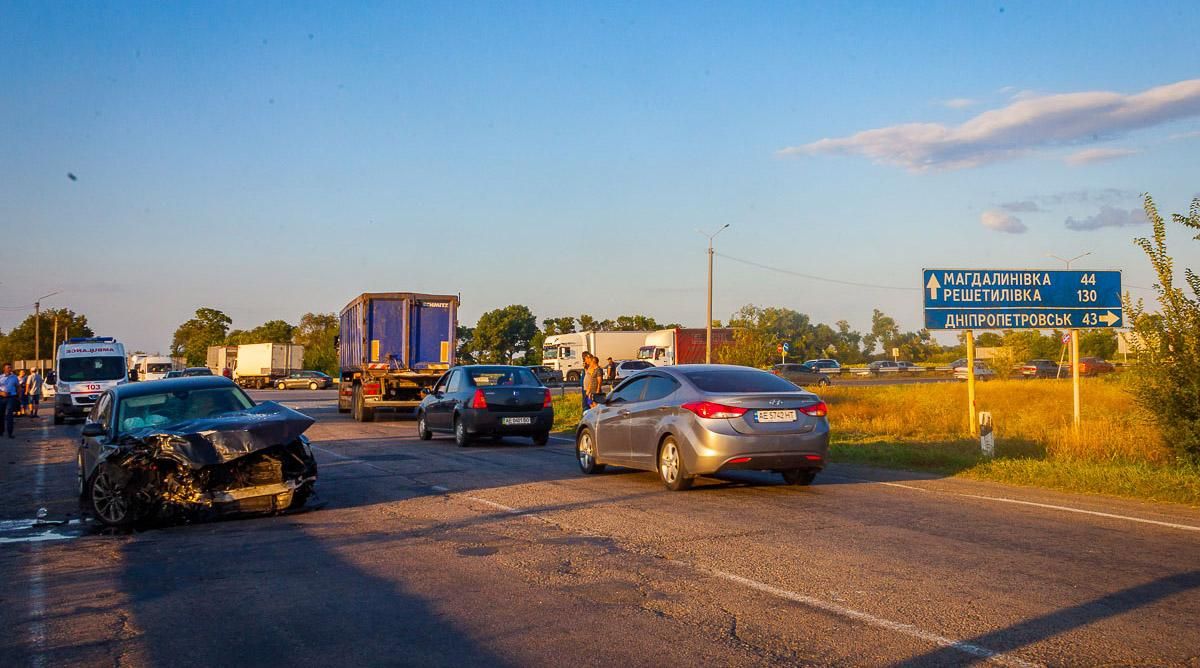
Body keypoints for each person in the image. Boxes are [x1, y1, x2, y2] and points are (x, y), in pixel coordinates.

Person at [1, 364, 19, 438]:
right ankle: (1, 431)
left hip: (11, 397)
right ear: (4, 369)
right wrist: (1, 393)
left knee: (9, 415)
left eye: (10, 368)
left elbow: (18, 387)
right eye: (8, 368)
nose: (9, 369)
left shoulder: (14, 377)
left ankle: (10, 433)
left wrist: (18, 396)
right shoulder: (0, 377)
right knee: (1, 415)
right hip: (1, 397)